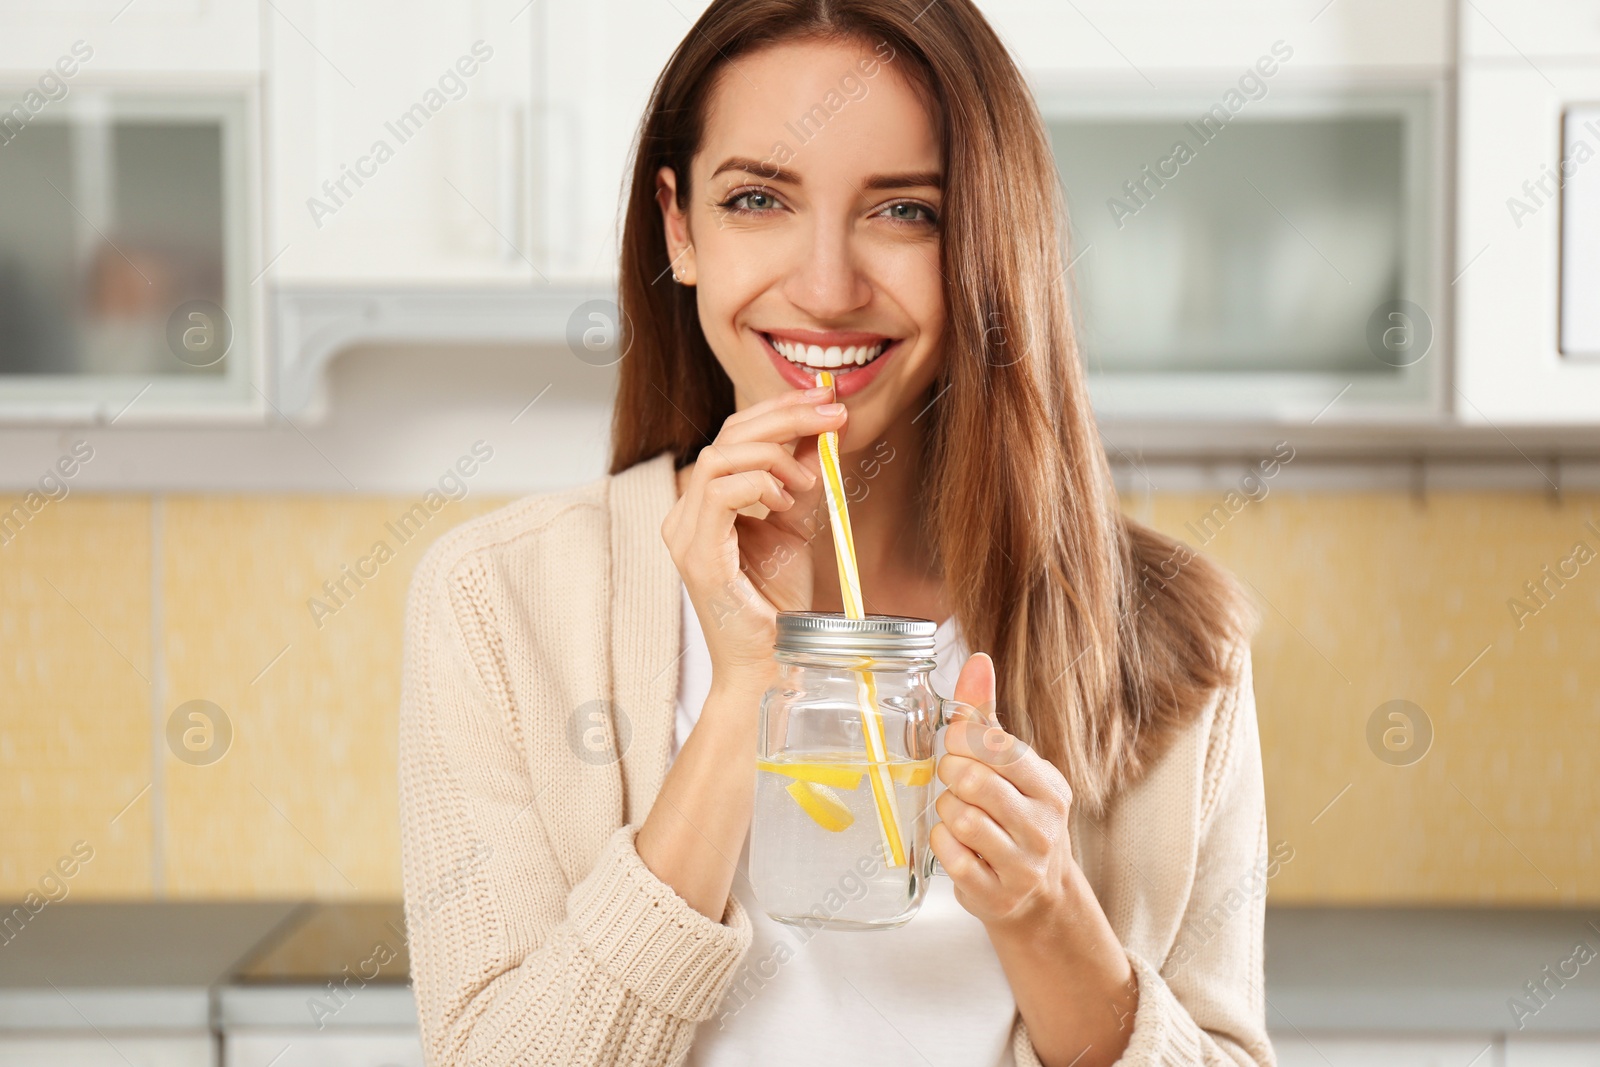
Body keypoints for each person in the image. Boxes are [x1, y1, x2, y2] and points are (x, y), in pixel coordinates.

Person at [399, 2, 1273, 1064]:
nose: (823, 288)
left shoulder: (1166, 635)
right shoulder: (500, 600)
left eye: (903, 211)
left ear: (984, 241)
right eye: (757, 198)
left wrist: (1050, 914)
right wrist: (738, 698)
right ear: (680, 226)